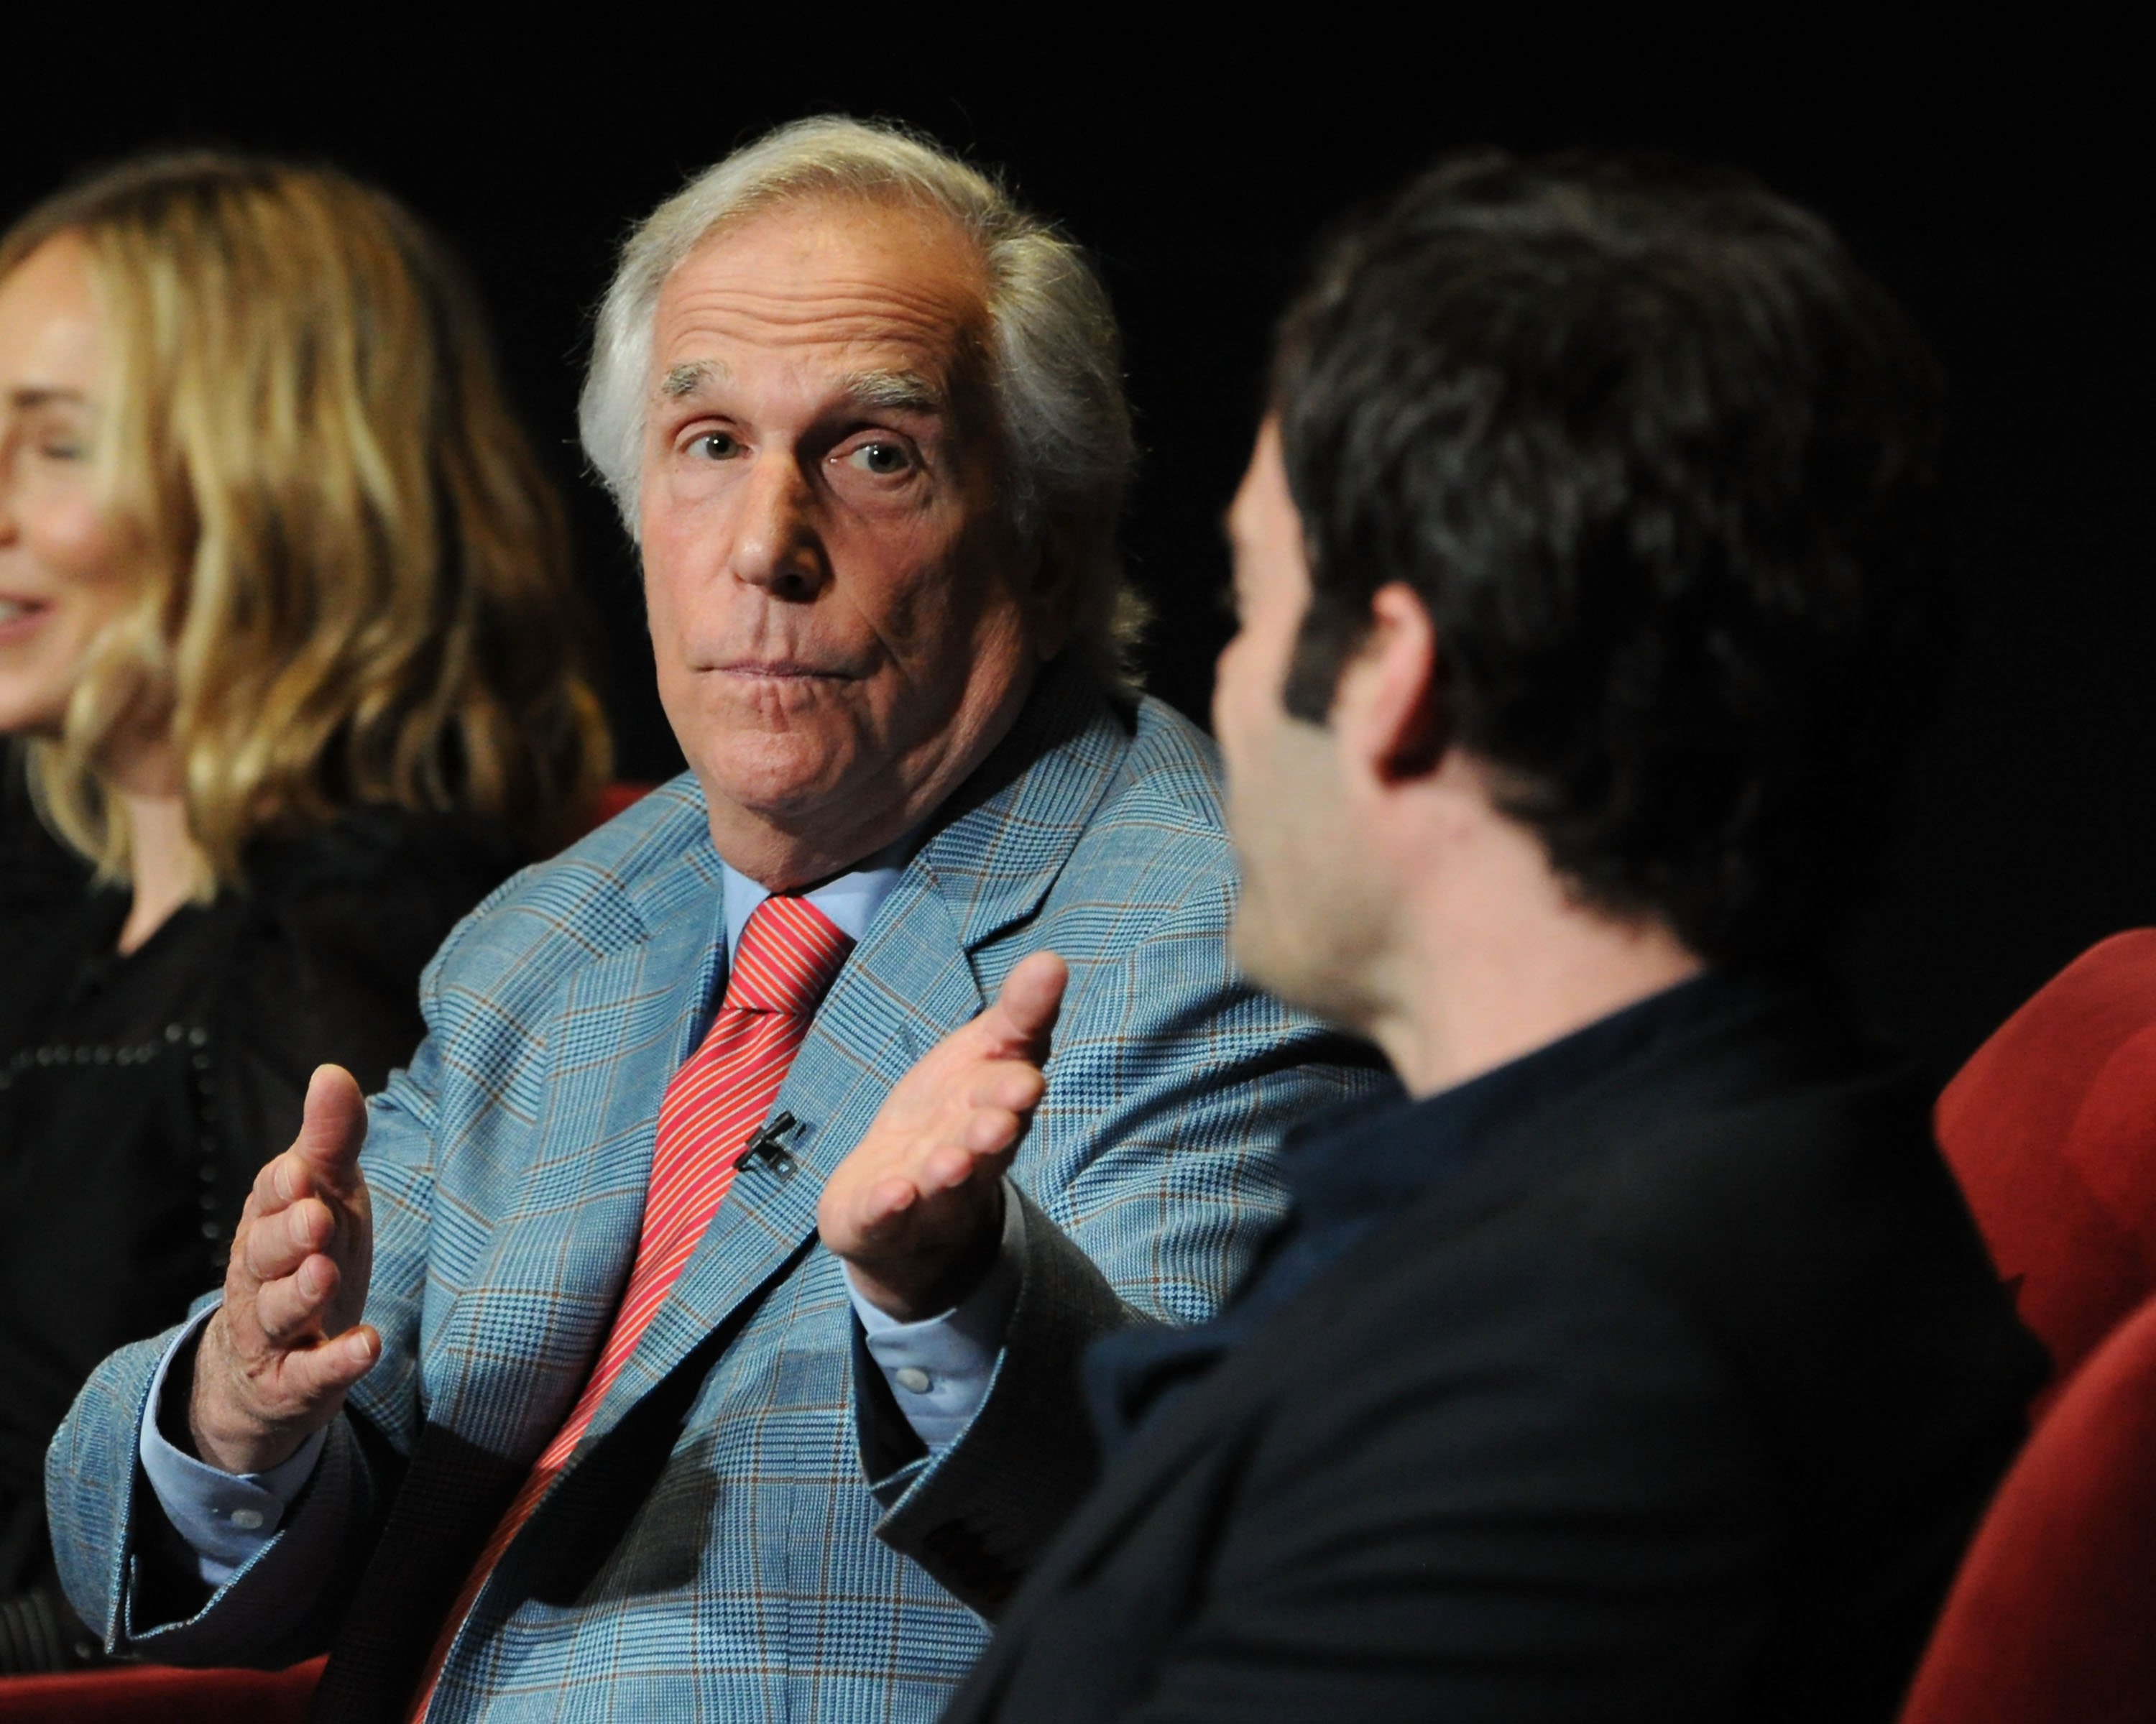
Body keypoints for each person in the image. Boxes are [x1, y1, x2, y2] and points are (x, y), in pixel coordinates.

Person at [45, 119, 1369, 1718]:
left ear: (1045, 531)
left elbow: (1177, 1547)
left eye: (876, 454)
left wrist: (960, 1296)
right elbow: (219, 1553)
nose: (764, 547)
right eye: (710, 445)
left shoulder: (1225, 933)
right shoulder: (560, 932)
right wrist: (239, 1411)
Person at [852, 152, 2049, 1722]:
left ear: (1393, 680)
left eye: (1258, 602)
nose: (1223, 691)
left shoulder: (1581, 1376)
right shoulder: (1624, 1169)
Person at [0, 153, 610, 1674]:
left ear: (276, 485)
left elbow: (242, 1559)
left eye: (55, 446)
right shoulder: (72, 936)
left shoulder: (375, 931)